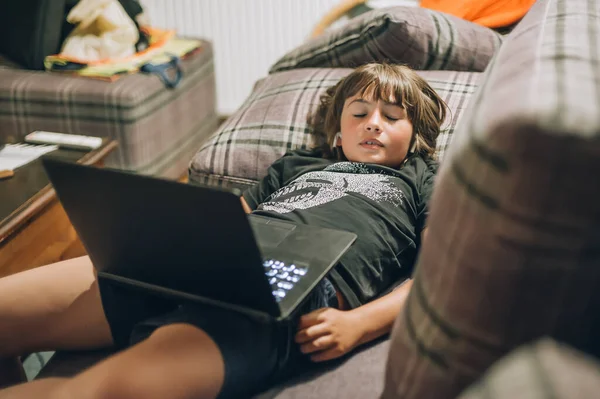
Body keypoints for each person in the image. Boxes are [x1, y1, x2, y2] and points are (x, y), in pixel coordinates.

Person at [0, 63, 447, 399]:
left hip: (287, 280)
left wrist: (360, 324)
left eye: (392, 116)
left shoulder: (421, 176)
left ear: (416, 136)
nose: (373, 122)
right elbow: (227, 214)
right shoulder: (297, 164)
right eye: (360, 112)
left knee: (99, 390)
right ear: (337, 131)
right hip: (210, 254)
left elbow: (442, 272)